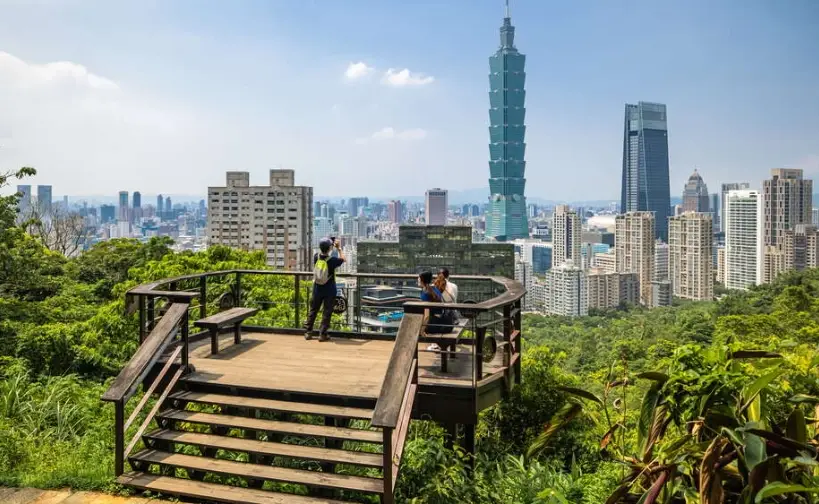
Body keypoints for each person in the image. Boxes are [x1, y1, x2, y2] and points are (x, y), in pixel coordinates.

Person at [304, 237, 345, 342]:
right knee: (327, 312)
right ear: (330, 248)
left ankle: (308, 332)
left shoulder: (316, 257)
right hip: (329, 289)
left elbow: (323, 251)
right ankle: (322, 334)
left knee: (313, 310)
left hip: (317, 288)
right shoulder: (332, 260)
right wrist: (339, 248)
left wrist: (328, 243)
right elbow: (343, 259)